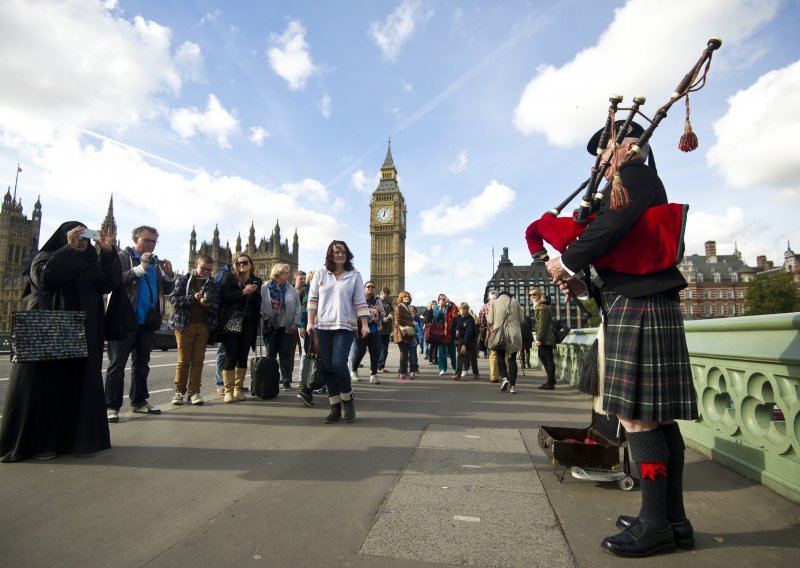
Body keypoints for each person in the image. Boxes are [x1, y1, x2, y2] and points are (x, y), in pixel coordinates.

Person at [546, 121, 697, 557]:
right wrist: (585, 282)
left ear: (628, 146)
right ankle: (673, 520)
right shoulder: (636, 182)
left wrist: (569, 261)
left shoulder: (634, 176)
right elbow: (624, 248)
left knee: (637, 419)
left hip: (642, 305)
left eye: (605, 149)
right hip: (640, 298)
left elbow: (611, 227)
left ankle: (655, 526)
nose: (600, 161)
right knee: (658, 420)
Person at [1, 222, 121, 461]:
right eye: (77, 236)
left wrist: (108, 253)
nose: (83, 241)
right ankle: (40, 443)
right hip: (50, 335)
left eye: (85, 237)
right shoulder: (43, 257)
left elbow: (110, 283)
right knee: (47, 389)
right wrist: (68, 250)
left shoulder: (90, 264)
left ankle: (73, 439)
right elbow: (45, 277)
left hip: (81, 336)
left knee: (76, 387)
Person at [104, 225, 175, 422]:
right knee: (117, 365)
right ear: (136, 239)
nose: (151, 245)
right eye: (147, 240)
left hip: (148, 322)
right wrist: (139, 269)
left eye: (154, 241)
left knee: (142, 364)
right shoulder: (122, 257)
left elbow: (166, 290)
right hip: (125, 319)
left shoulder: (155, 263)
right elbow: (114, 281)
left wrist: (169, 275)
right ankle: (111, 406)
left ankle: (139, 402)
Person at [306, 241, 370, 423]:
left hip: (345, 325)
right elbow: (312, 299)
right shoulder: (320, 273)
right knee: (328, 367)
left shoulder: (354, 274)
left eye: (342, 252)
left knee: (338, 364)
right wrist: (310, 322)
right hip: (323, 326)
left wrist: (364, 324)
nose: (339, 255)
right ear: (330, 254)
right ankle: (334, 406)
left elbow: (359, 301)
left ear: (347, 254)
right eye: (336, 252)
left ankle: (347, 400)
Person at [168, 255, 219, 405]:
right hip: (185, 325)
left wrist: (208, 304)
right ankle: (179, 392)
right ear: (196, 264)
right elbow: (173, 299)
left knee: (198, 360)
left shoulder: (213, 283)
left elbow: (217, 304)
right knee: (184, 360)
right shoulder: (183, 280)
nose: (206, 272)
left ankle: (194, 392)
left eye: (209, 270)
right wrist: (193, 298)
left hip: (203, 325)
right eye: (203, 268)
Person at [216, 253, 262, 403]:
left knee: (243, 356)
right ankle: (228, 391)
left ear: (250, 265)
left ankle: (238, 389)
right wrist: (243, 292)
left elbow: (257, 302)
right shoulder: (229, 278)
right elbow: (224, 297)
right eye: (238, 262)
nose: (241, 265)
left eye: (244, 262)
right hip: (232, 322)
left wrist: (252, 293)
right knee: (231, 356)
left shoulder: (256, 280)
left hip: (248, 323)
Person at [261, 263, 302, 390]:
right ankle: (271, 381)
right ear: (278, 274)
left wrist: (295, 323)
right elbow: (260, 305)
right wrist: (266, 318)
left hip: (286, 326)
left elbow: (298, 307)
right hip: (270, 326)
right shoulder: (265, 287)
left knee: (285, 354)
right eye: (286, 273)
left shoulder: (291, 289)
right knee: (271, 354)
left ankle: (286, 380)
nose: (288, 275)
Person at [487, 290, 523, 394]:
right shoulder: (515, 302)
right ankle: (512, 387)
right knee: (512, 360)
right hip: (514, 334)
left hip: (500, 334)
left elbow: (490, 320)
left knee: (500, 357)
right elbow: (522, 320)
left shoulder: (494, 303)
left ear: (500, 296)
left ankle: (505, 378)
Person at [349, 280, 384, 384]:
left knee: (375, 352)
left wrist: (379, 312)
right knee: (360, 351)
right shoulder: (358, 299)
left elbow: (383, 314)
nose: (370, 289)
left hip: (374, 329)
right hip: (360, 329)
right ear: (364, 288)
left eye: (372, 287)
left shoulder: (377, 300)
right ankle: (354, 370)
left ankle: (373, 374)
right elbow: (352, 313)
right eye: (368, 287)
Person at [212, 262, 233, 395]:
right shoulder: (222, 275)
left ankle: (232, 384)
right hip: (225, 318)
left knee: (234, 353)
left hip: (237, 319)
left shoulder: (243, 276)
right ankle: (221, 383)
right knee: (223, 352)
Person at [531, 289, 556, 389]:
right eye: (531, 295)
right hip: (545, 337)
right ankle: (551, 379)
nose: (532, 296)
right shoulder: (539, 306)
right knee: (542, 356)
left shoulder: (542, 308)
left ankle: (550, 383)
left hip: (546, 337)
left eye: (534, 294)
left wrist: (539, 338)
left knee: (548, 359)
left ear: (539, 295)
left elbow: (542, 324)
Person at [287, 271, 307, 378]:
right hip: (293, 325)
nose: (303, 280)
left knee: (303, 352)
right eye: (301, 278)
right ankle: (288, 376)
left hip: (303, 326)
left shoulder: (307, 290)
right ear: (295, 280)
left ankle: (303, 377)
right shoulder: (289, 290)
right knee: (290, 352)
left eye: (304, 278)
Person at [452, 302, 479, 381]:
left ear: (467, 310)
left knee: (472, 357)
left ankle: (475, 372)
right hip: (461, 338)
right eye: (461, 309)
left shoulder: (470, 319)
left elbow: (469, 332)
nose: (462, 311)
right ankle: (458, 374)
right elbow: (456, 326)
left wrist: (464, 344)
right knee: (460, 356)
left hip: (470, 339)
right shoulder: (458, 317)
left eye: (464, 309)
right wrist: (457, 330)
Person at [393, 290, 416, 380]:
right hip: (401, 333)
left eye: (408, 297)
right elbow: (399, 321)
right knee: (404, 354)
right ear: (401, 298)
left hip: (405, 333)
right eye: (404, 296)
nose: (407, 298)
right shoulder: (399, 307)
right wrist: (411, 323)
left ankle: (402, 372)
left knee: (405, 354)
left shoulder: (406, 307)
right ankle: (403, 373)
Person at [433, 294, 458, 376]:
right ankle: (442, 368)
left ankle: (454, 367)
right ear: (438, 300)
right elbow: (436, 318)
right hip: (441, 333)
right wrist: (440, 308)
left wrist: (450, 302)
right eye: (440, 299)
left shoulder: (450, 307)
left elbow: (456, 312)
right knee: (441, 352)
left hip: (450, 333)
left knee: (452, 352)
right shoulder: (436, 308)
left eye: (444, 299)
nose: (442, 300)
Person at [478, 291, 499, 380]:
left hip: (491, 332)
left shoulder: (485, 307)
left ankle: (494, 376)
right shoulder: (501, 306)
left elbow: (481, 322)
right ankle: (504, 373)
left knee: (493, 353)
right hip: (500, 332)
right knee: (501, 353)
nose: (493, 301)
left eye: (494, 299)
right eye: (492, 299)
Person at [377, 287, 393, 373]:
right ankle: (377, 366)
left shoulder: (388, 302)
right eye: (385, 296)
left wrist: (390, 315)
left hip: (387, 328)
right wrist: (382, 319)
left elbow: (392, 310)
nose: (386, 297)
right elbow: (374, 314)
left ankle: (381, 366)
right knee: (379, 348)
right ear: (381, 293)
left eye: (387, 296)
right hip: (379, 328)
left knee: (385, 349)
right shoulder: (376, 301)